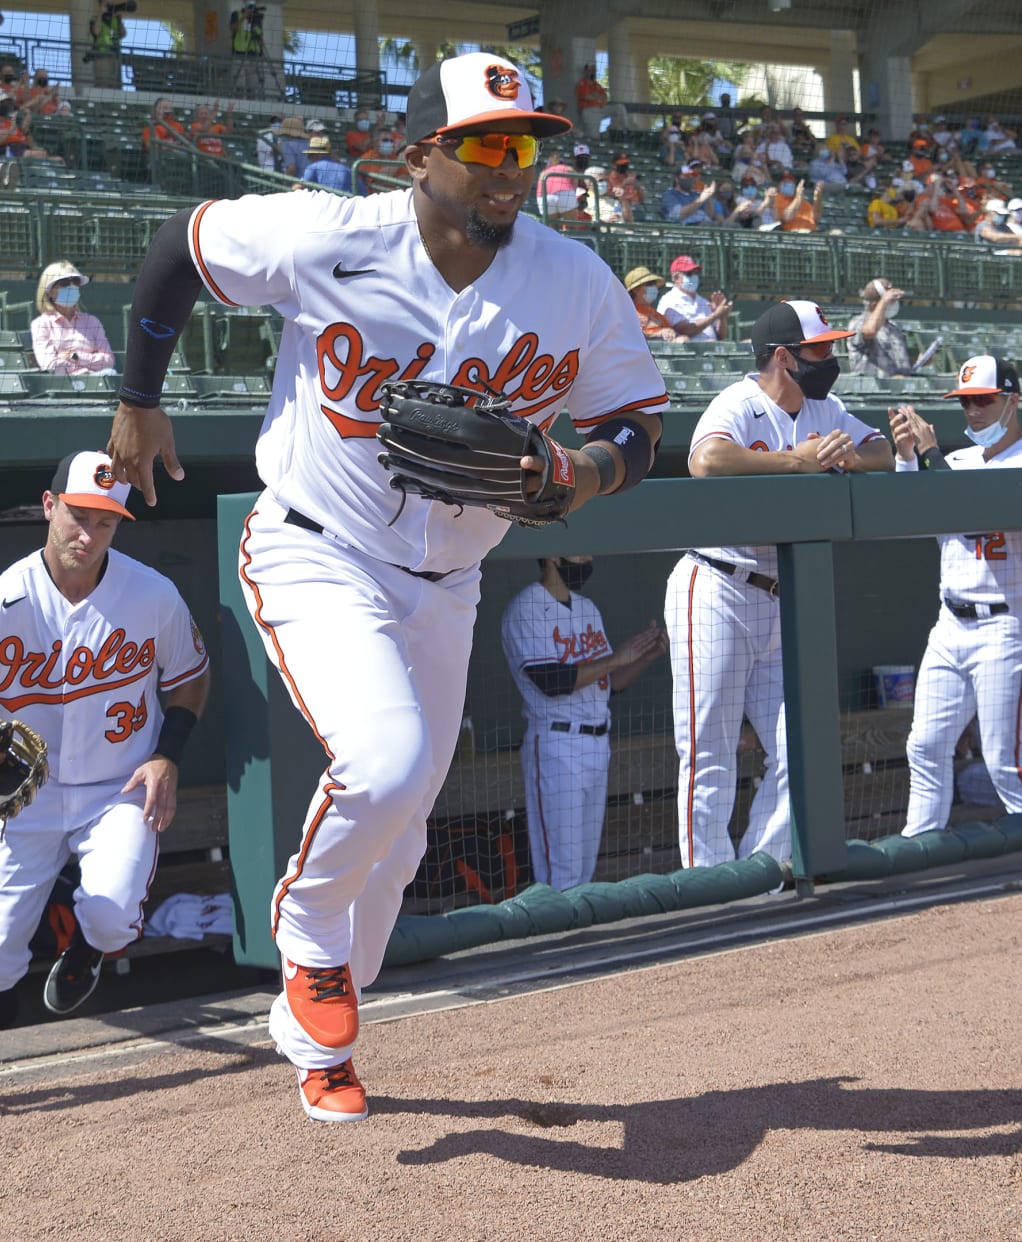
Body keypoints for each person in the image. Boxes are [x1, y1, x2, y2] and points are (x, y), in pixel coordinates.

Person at [101, 51, 667, 1124]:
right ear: (420, 155)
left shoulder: (573, 279)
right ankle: (305, 940)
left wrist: (587, 470)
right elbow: (178, 249)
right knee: (386, 759)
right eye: (485, 145)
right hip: (318, 545)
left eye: (527, 145)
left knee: (401, 838)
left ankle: (326, 1039)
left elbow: (636, 421)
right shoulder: (332, 235)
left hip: (450, 579)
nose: (512, 167)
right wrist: (137, 398)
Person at [0, 451, 208, 1034]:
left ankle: (89, 950)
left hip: (119, 787)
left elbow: (190, 676)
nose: (88, 534)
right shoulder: (3, 600)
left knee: (114, 917)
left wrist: (169, 752)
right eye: (77, 515)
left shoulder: (153, 595)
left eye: (105, 521)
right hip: (25, 793)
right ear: (49, 506)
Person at [669, 300, 891, 869]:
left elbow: (884, 451)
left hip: (778, 595)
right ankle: (708, 887)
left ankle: (761, 873)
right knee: (709, 750)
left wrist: (851, 458)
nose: (832, 356)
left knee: (802, 747)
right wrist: (799, 461)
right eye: (821, 348)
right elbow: (707, 460)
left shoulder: (827, 406)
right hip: (716, 586)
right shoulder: (739, 401)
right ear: (786, 357)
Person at [888, 356, 1022, 826]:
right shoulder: (955, 460)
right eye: (965, 402)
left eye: (983, 400)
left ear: (1012, 400)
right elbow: (911, 516)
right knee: (924, 746)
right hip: (950, 623)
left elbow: (974, 512)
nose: (973, 411)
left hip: (1008, 625)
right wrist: (906, 457)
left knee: (1005, 758)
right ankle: (920, 849)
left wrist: (928, 460)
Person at [499, 557, 666, 890]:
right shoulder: (526, 607)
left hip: (597, 743)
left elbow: (609, 683)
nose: (588, 558)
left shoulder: (588, 608)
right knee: (562, 869)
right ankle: (559, 939)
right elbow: (551, 681)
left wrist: (644, 658)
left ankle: (578, 935)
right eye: (580, 552)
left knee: (584, 868)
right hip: (557, 744)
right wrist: (618, 657)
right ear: (551, 555)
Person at [31, 260, 115, 375]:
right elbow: (50, 365)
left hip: (96, 381)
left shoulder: (92, 322)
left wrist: (75, 356)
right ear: (50, 292)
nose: (72, 286)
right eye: (64, 283)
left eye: (75, 281)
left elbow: (108, 362)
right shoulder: (41, 324)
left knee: (110, 373)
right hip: (62, 387)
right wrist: (83, 371)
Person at [850, 278, 922, 378]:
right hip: (874, 388)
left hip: (902, 387)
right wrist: (884, 301)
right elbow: (870, 331)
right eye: (891, 301)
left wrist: (917, 362)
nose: (895, 303)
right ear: (875, 304)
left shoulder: (894, 328)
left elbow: (898, 362)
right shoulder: (858, 322)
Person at [656, 255, 730, 341]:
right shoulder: (668, 300)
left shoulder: (703, 301)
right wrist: (715, 315)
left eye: (696, 273)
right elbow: (686, 330)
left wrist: (722, 317)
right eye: (689, 274)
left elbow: (721, 336)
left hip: (711, 350)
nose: (694, 277)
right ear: (676, 277)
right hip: (687, 352)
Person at [624, 266, 678, 340]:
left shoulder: (658, 316)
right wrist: (658, 334)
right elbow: (629, 335)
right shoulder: (626, 313)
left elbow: (669, 334)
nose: (654, 287)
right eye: (649, 283)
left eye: (654, 283)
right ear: (635, 289)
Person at [662, 162, 726, 225]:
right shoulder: (669, 195)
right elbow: (678, 214)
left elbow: (710, 215)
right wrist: (701, 199)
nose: (690, 178)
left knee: (730, 226)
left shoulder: (695, 195)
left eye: (691, 176)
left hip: (706, 224)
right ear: (677, 179)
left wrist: (708, 198)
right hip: (688, 227)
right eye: (686, 176)